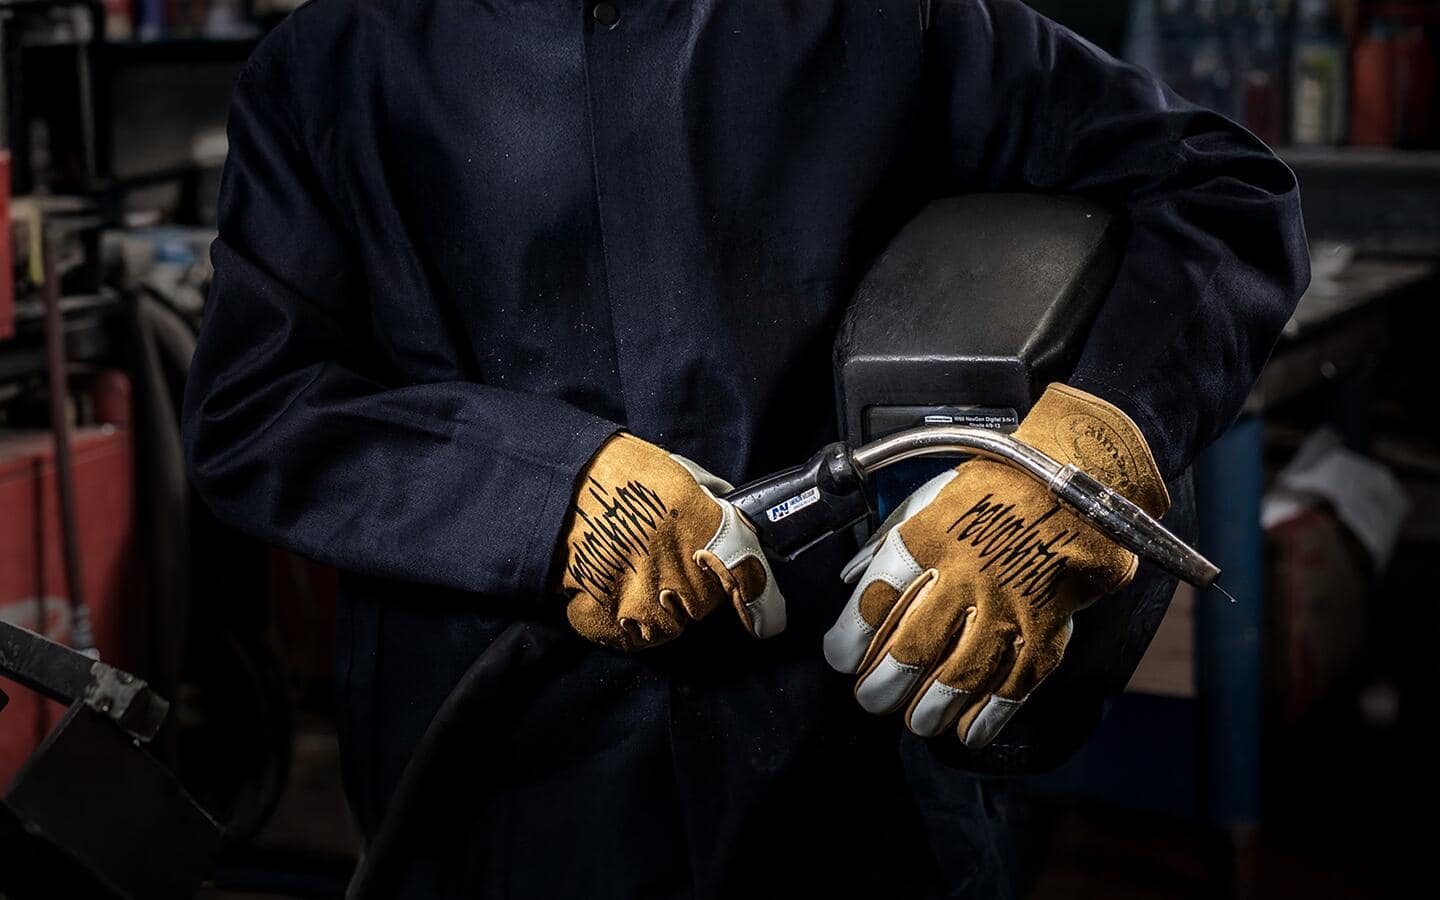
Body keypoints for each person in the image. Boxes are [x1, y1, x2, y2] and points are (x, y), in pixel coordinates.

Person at [181, 1, 1309, 897]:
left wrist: (1088, 451)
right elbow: (258, 406)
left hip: (856, 781)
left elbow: (1225, 190)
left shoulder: (890, 22)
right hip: (505, 800)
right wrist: (544, 493)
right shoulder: (335, 62)